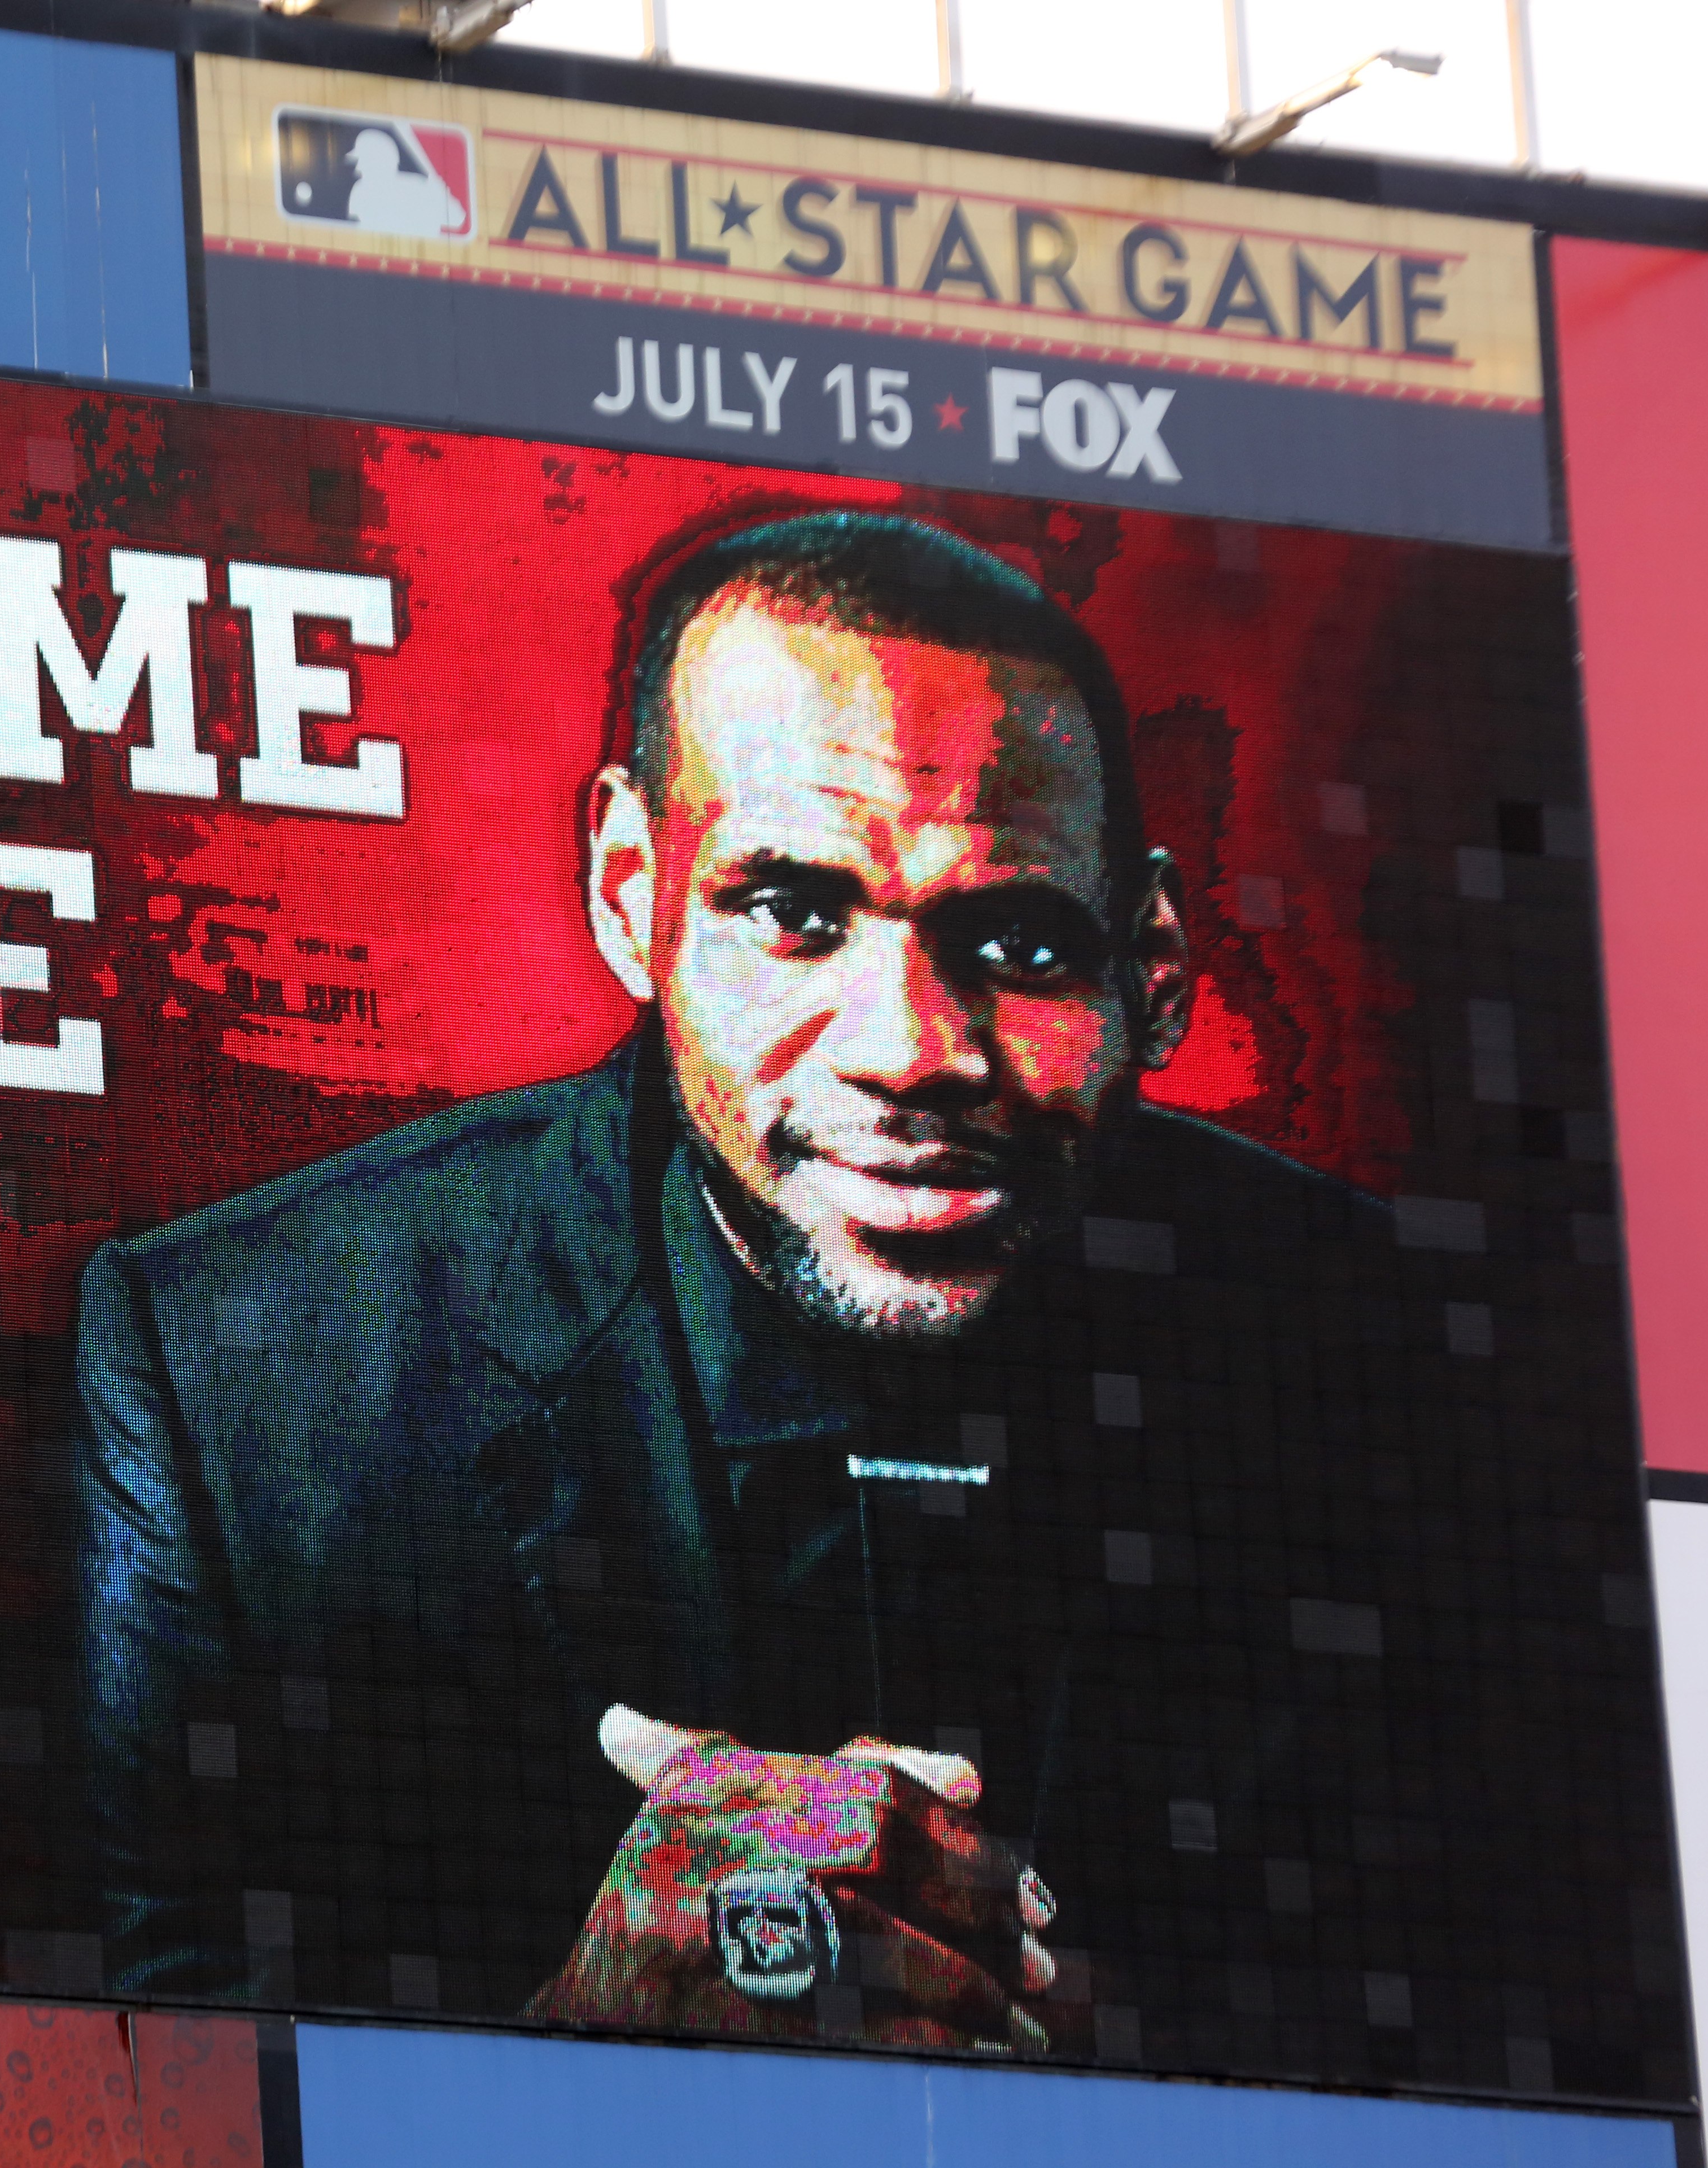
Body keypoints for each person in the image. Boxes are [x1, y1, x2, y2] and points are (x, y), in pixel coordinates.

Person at [72, 512, 1395, 2051]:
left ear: (1152, 965)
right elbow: (139, 2094)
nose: (908, 1046)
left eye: (1021, 943)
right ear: (630, 890)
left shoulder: (1396, 1362)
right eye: (792, 912)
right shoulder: (245, 1370)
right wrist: (576, 2068)